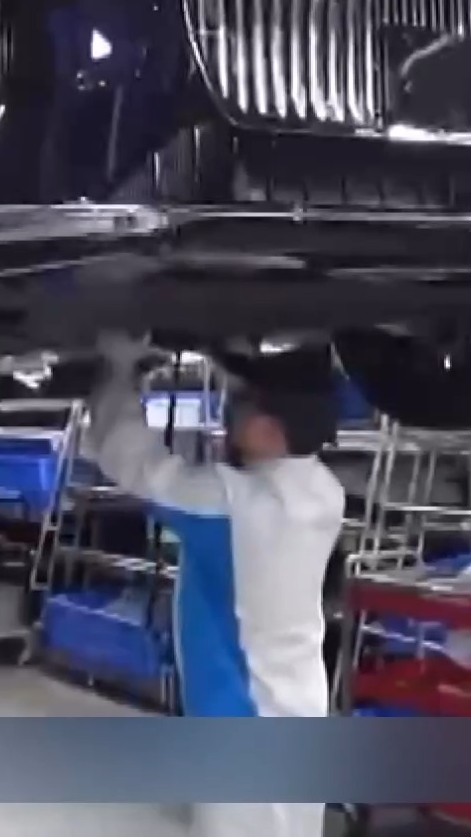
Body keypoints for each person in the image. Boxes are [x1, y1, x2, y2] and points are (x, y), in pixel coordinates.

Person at [83, 333, 347, 837]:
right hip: (297, 704)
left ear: (268, 429)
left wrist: (117, 369)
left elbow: (131, 460)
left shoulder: (230, 505)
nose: (228, 411)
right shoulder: (323, 493)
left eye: (240, 402)